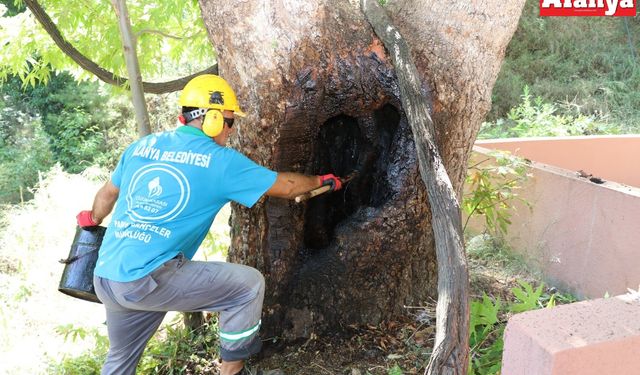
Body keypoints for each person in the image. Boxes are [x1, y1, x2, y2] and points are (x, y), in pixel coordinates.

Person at [76, 74, 343, 375]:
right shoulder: (220, 161)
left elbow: (107, 194)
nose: (231, 131)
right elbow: (288, 185)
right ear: (213, 119)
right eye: (230, 122)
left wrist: (93, 219)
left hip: (107, 277)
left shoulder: (142, 147)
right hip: (147, 280)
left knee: (120, 361)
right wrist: (323, 181)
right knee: (248, 286)